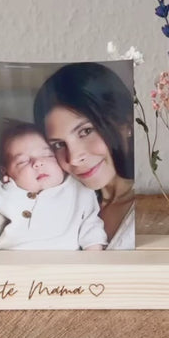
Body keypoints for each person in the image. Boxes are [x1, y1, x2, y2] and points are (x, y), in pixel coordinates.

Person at [33, 62, 135, 249]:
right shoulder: (61, 205)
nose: (73, 158)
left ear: (125, 124)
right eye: (58, 144)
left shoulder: (154, 210)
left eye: (86, 131)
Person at [0, 121, 107, 250]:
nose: (38, 163)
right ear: (6, 171)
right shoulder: (0, 192)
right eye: (23, 161)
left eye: (48, 155)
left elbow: (91, 227)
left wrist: (92, 254)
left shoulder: (80, 191)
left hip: (65, 264)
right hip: (10, 264)